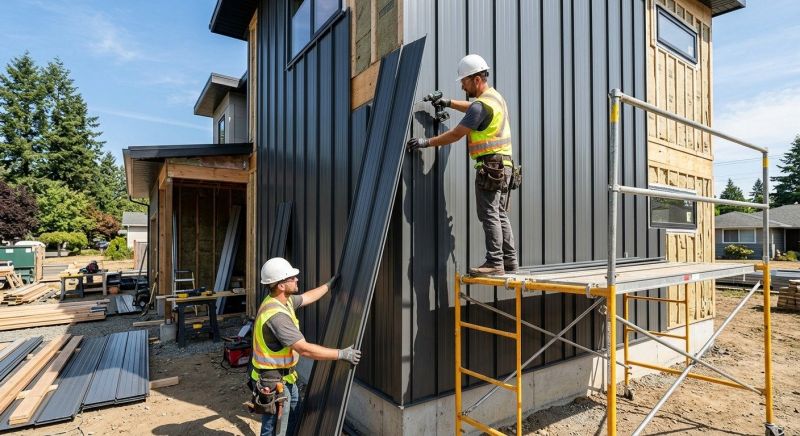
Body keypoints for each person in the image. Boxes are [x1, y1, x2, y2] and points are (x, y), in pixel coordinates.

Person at [407, 54, 518, 275]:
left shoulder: (480, 107)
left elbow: (456, 134)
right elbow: (472, 107)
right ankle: (509, 261)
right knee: (499, 213)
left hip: (491, 167)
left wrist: (425, 142)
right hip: (504, 166)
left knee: (488, 213)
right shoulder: (494, 98)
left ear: (476, 80)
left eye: (464, 82)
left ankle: (495, 263)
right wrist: (448, 102)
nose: (462, 87)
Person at [252, 257, 361, 436]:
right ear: (280, 285)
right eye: (291, 277)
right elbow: (305, 349)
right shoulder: (277, 317)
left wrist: (329, 285)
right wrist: (342, 354)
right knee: (275, 429)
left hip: (286, 378)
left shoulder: (281, 300)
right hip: (274, 382)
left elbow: (307, 297)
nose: (296, 279)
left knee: (293, 418)